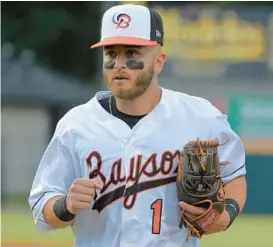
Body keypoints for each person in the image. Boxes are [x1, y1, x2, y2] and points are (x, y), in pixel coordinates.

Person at [28, 4, 247, 247]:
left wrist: (226, 216)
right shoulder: (76, 124)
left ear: (159, 61)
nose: (119, 64)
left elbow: (235, 176)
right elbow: (42, 206)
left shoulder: (200, 116)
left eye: (132, 53)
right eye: (111, 54)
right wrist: (65, 205)